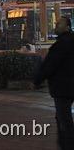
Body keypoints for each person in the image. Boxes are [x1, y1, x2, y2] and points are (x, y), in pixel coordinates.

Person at [34, 16, 74, 150]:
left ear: (67, 27)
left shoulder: (62, 44)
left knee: (64, 121)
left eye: (59, 24)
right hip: (68, 87)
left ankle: (67, 145)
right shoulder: (69, 41)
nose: (56, 25)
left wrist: (38, 79)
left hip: (62, 87)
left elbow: (49, 65)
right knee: (63, 118)